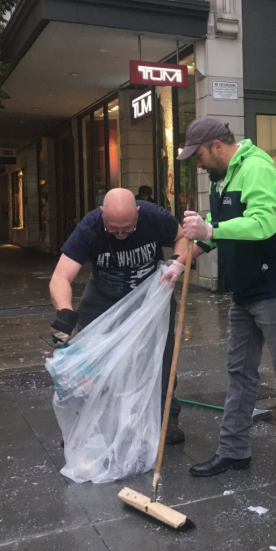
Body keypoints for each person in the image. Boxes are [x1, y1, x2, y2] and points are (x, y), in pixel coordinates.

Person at [168, 116, 276, 485]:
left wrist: (211, 229)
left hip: (274, 287)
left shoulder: (256, 168)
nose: (197, 163)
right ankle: (233, 450)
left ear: (217, 147)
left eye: (199, 156)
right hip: (244, 290)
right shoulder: (222, 177)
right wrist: (179, 265)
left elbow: (263, 223)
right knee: (240, 372)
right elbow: (215, 230)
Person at [49, 188, 188, 444]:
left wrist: (177, 262)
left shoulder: (154, 216)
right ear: (102, 214)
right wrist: (65, 311)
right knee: (93, 362)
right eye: (114, 230)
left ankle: (165, 418)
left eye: (128, 228)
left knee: (161, 360)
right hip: (102, 297)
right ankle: (91, 420)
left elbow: (182, 237)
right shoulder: (89, 226)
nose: (121, 235)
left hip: (151, 297)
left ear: (138, 212)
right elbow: (61, 276)